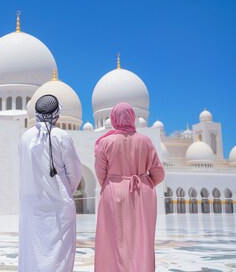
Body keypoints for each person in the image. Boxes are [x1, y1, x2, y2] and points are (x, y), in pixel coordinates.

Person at [94, 102, 165, 272]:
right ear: (132, 117)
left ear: (113, 118)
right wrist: (145, 183)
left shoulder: (105, 143)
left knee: (114, 239)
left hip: (114, 192)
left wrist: (114, 183)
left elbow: (100, 174)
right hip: (142, 193)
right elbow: (159, 173)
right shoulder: (145, 141)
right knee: (141, 238)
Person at [18, 94, 82, 272]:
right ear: (57, 115)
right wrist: (64, 191)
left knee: (33, 253)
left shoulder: (25, 138)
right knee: (59, 255)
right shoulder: (61, 136)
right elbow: (75, 173)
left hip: (31, 209)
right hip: (58, 208)